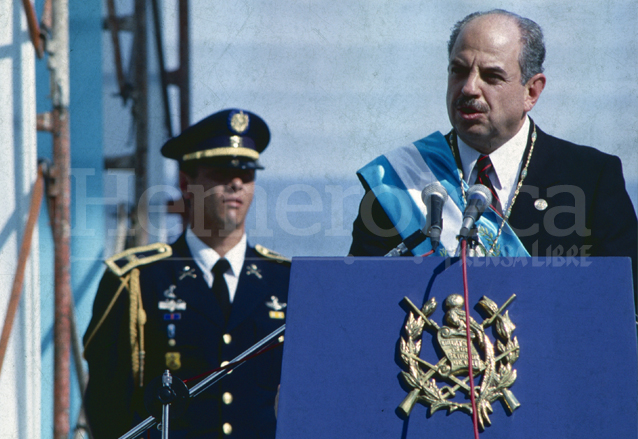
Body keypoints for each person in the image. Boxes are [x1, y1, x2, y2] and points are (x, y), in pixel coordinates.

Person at [348, 10, 637, 292]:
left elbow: (623, 302)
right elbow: (358, 302)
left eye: (491, 76)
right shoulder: (396, 181)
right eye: (458, 71)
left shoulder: (590, 178)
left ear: (531, 92)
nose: (469, 88)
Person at [83, 109, 291, 439]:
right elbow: (108, 404)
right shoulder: (138, 280)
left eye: (247, 173)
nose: (236, 183)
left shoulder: (285, 281)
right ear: (185, 182)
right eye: (221, 172)